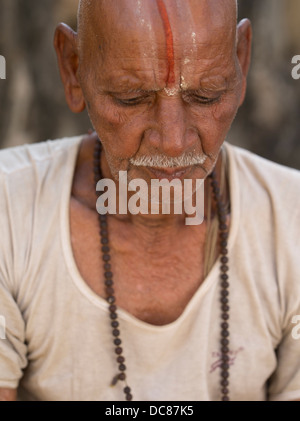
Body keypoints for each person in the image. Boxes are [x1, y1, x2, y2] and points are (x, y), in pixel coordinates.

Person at [0, 0, 299, 402]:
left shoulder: (291, 219)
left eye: (206, 95)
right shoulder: (9, 211)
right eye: (131, 97)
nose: (173, 141)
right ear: (73, 68)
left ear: (241, 62)